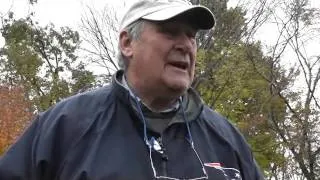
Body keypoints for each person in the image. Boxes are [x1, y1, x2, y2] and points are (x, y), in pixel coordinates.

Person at [0, 0, 264, 179]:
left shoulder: (227, 140)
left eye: (191, 36)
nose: (186, 45)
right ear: (128, 43)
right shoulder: (66, 127)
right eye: (170, 32)